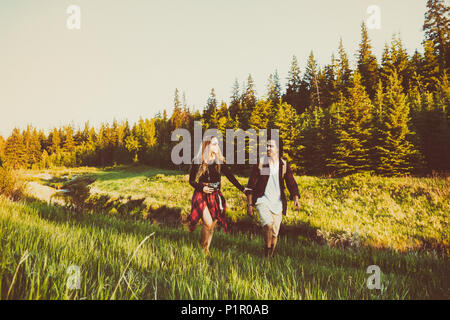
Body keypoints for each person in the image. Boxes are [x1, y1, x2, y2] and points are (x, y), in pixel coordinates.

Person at [188, 135, 246, 255]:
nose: (217, 146)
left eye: (217, 143)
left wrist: (243, 189)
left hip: (215, 195)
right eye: (214, 143)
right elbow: (191, 181)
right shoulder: (198, 161)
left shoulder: (219, 161)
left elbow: (231, 177)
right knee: (208, 223)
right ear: (207, 145)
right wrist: (202, 188)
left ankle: (206, 249)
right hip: (201, 194)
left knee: (212, 225)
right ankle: (203, 249)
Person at [245, 137, 300, 258]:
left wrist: (295, 198)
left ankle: (268, 258)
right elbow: (250, 186)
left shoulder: (283, 165)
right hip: (262, 200)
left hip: (278, 203)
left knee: (275, 234)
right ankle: (267, 250)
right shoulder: (262, 163)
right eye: (267, 146)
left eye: (271, 146)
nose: (268, 148)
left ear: (278, 149)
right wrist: (249, 205)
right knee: (268, 225)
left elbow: (291, 183)